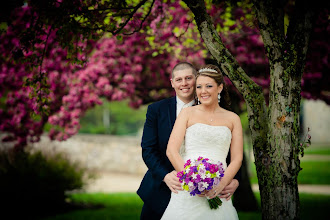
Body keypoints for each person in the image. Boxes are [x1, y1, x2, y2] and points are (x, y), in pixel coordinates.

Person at [137, 62, 240, 220]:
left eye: (188, 78)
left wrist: (231, 180)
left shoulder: (229, 116)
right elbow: (149, 150)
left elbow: (229, 153)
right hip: (165, 185)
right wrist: (180, 178)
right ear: (172, 83)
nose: (184, 83)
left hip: (216, 187)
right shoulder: (157, 110)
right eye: (178, 80)